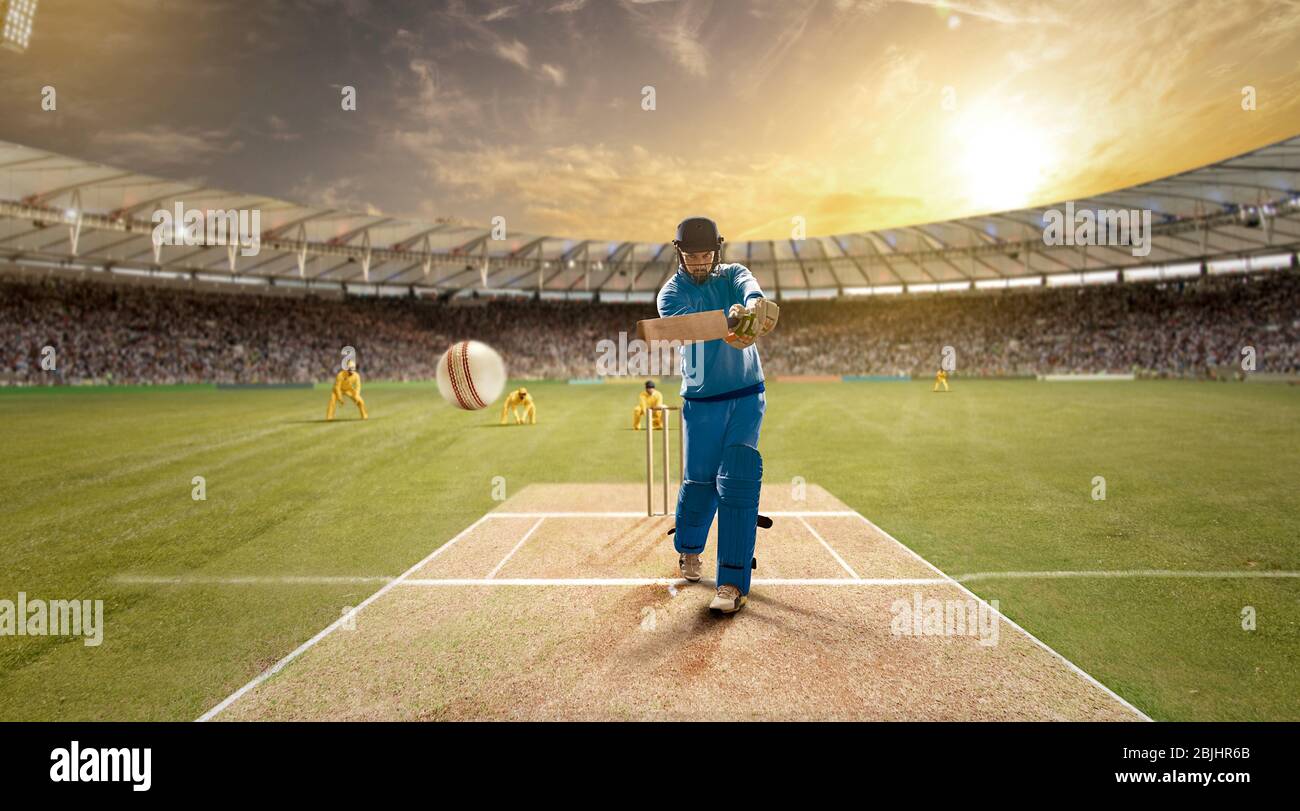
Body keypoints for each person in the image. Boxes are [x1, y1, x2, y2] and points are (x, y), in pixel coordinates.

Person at [657, 216, 779, 614]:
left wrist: (755, 304)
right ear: (680, 254)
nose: (699, 262)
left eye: (706, 254)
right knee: (700, 483)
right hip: (701, 401)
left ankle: (732, 581)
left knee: (738, 477)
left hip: (746, 394)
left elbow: (748, 286)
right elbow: (686, 327)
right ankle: (690, 549)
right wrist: (729, 320)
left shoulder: (734, 274)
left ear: (717, 251)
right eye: (692, 255)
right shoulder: (671, 293)